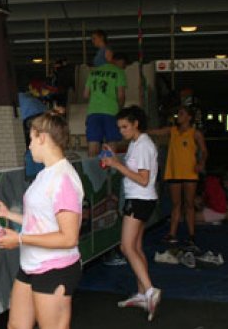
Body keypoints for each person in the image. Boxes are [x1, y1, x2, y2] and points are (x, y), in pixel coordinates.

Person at [0, 111, 83, 329]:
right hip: (31, 265)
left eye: (31, 139)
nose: (29, 146)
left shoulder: (64, 179)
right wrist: (8, 214)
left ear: (42, 137)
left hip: (55, 268)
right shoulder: (45, 174)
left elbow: (69, 238)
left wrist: (20, 239)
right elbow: (41, 221)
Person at [101, 105, 161, 321]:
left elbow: (143, 180)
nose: (122, 131)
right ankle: (143, 293)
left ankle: (150, 290)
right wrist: (115, 156)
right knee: (135, 247)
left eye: (125, 127)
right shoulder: (136, 143)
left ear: (136, 124)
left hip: (140, 200)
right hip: (140, 199)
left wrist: (117, 165)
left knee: (126, 247)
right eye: (120, 127)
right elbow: (136, 171)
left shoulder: (144, 145)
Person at [149, 106, 207, 245]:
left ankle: (191, 235)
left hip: (190, 173)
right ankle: (172, 234)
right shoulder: (172, 130)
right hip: (174, 172)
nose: (178, 116)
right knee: (176, 205)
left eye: (181, 114)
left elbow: (204, 151)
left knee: (189, 204)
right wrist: (138, 130)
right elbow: (156, 132)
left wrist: (201, 163)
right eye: (178, 113)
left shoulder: (195, 133)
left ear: (189, 117)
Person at [84, 53, 128, 157]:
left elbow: (85, 95)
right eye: (124, 65)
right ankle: (110, 171)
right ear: (119, 61)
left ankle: (91, 171)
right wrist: (120, 108)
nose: (124, 67)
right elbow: (121, 95)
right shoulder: (119, 72)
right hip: (112, 111)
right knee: (111, 141)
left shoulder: (93, 72)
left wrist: (95, 102)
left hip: (93, 112)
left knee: (93, 141)